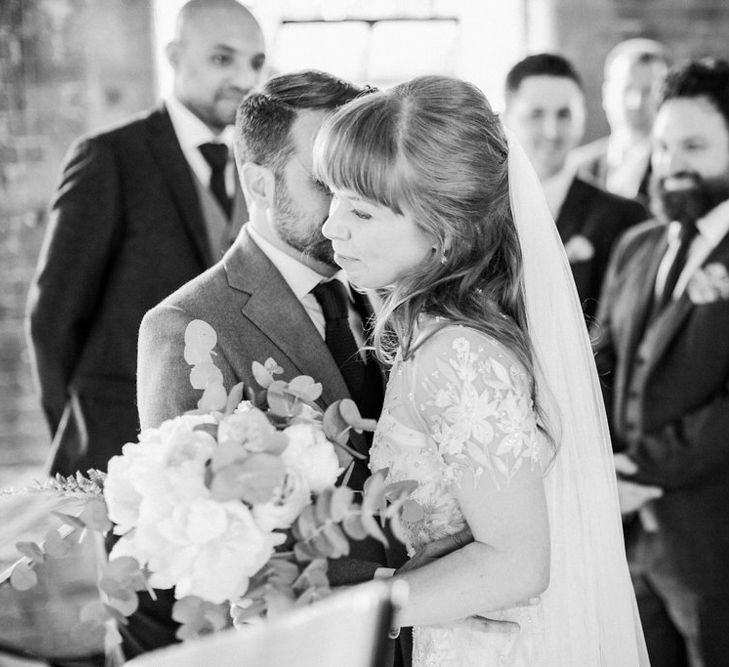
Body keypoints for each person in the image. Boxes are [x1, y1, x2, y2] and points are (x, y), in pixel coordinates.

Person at [313, 75, 648, 665]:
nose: (330, 226)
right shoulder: (441, 330)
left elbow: (518, 563)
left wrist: (363, 608)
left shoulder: (457, 354)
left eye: (361, 212)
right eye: (333, 195)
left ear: (444, 233)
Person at [134, 69, 416, 665]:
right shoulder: (187, 327)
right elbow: (206, 554)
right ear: (260, 183)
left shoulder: (388, 290)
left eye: (358, 182)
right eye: (325, 183)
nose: (347, 207)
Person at [25, 0, 265, 477]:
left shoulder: (258, 167)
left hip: (227, 452)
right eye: (223, 58)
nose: (244, 78)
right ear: (174, 56)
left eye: (256, 62)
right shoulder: (108, 158)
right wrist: (76, 430)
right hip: (118, 443)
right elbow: (52, 318)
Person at [592, 58, 729, 667]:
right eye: (666, 144)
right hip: (624, 542)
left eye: (695, 146)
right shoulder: (637, 244)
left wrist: (638, 471)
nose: (672, 162)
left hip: (711, 538)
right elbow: (601, 361)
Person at [503, 53, 647, 322]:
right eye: (536, 114)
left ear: (582, 117)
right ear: (508, 118)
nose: (551, 131)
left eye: (564, 114)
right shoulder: (480, 211)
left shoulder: (624, 217)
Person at [573, 38, 669, 204]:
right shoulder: (577, 168)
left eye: (648, 91)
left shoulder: (674, 169)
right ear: (606, 94)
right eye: (627, 88)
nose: (636, 102)